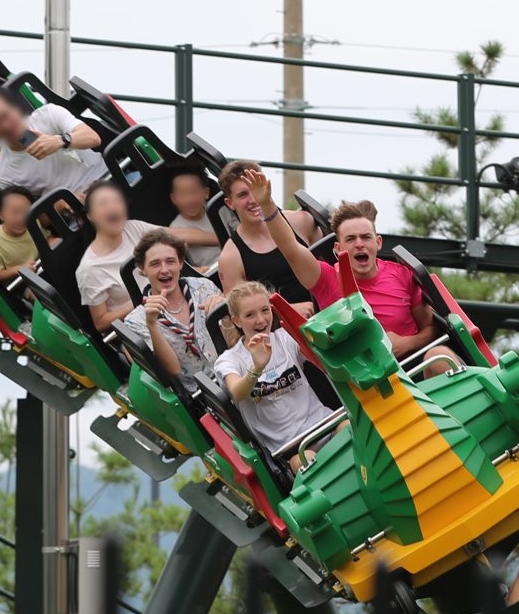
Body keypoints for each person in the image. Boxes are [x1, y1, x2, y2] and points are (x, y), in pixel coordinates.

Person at [243, 168, 458, 375]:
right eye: (350, 239)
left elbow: (431, 328)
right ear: (338, 249)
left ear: (378, 242)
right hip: (366, 380)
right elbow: (290, 247)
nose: (359, 245)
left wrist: (406, 343)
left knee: (440, 356)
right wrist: (267, 205)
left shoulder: (401, 274)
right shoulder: (326, 279)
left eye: (365, 237)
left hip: (412, 365)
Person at [214, 280, 333, 472]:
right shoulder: (230, 360)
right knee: (310, 463)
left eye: (265, 311)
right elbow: (237, 392)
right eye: (250, 315)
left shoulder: (286, 338)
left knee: (354, 431)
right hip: (290, 449)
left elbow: (323, 355)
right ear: (236, 320)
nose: (261, 320)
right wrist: (257, 367)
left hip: (325, 424)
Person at [75, 181, 212, 332]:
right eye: (103, 203)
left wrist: (226, 238)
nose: (112, 207)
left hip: (179, 301)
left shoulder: (133, 227)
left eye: (117, 201)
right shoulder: (89, 269)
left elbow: (180, 235)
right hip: (142, 324)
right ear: (90, 215)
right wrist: (143, 301)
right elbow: (101, 323)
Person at [122, 228, 222, 392]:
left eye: (170, 261)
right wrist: (152, 324)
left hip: (234, 372)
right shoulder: (136, 321)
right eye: (155, 264)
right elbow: (173, 370)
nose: (164, 269)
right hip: (200, 393)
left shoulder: (203, 287)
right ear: (142, 268)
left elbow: (234, 340)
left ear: (181, 263)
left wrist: (224, 311)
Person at [216, 159, 319, 318]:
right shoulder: (230, 257)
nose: (253, 199)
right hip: (282, 332)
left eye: (256, 189)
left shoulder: (302, 221)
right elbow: (238, 316)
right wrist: (288, 311)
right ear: (230, 203)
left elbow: (332, 263)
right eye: (243, 194)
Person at [0, 85, 107, 199]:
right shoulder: (4, 174)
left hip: (107, 180)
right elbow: (32, 218)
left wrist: (60, 140)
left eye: (5, 115)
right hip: (79, 210)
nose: (6, 125)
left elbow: (93, 138)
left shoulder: (49, 114)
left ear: (16, 108)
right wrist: (59, 205)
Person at [0, 186, 42, 283]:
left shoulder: (34, 223)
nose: (20, 218)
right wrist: (18, 269)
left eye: (25, 212)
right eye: (14, 213)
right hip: (23, 283)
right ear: (1, 214)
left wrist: (53, 241)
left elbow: (46, 239)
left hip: (43, 268)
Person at [168, 165, 220, 270]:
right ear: (173, 199)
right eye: (182, 194)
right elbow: (175, 261)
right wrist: (197, 270)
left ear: (206, 193)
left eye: (193, 192)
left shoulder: (219, 211)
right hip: (211, 272)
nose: (189, 200)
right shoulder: (175, 227)